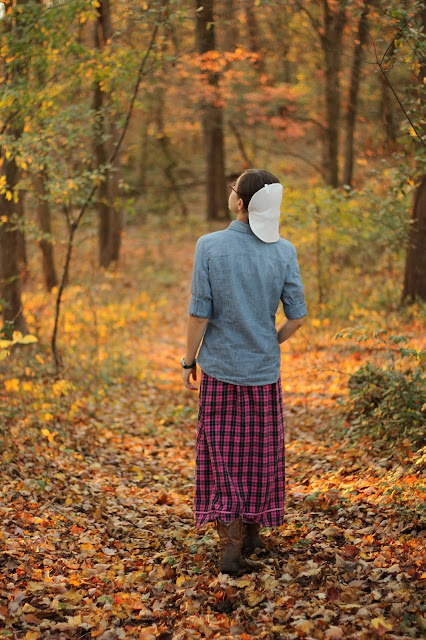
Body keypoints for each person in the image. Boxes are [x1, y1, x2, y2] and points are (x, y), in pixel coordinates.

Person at [181, 169, 307, 575]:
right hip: (263, 373)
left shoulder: (209, 246)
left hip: (220, 371)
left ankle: (231, 549)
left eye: (234, 188)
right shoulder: (284, 251)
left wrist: (189, 360)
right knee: (260, 454)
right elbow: (297, 317)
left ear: (240, 203)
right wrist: (270, 341)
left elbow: (199, 314)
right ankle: (253, 534)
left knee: (223, 456)